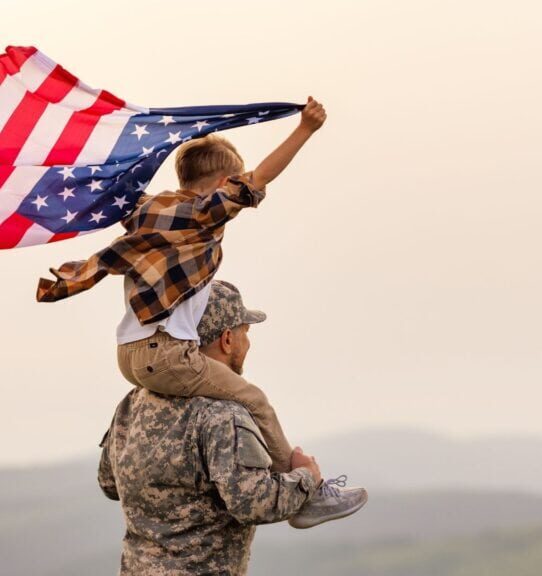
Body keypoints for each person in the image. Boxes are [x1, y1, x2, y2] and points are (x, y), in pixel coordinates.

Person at [38, 97, 326, 475]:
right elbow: (259, 179)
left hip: (129, 353)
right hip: (166, 352)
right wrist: (305, 129)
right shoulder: (203, 214)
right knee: (254, 400)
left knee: (200, 386)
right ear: (225, 184)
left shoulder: (148, 208)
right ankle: (301, 483)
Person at [98, 281, 368, 576]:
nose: (248, 343)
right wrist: (306, 477)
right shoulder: (222, 415)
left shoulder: (133, 402)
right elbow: (253, 502)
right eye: (245, 333)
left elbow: (109, 483)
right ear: (227, 340)